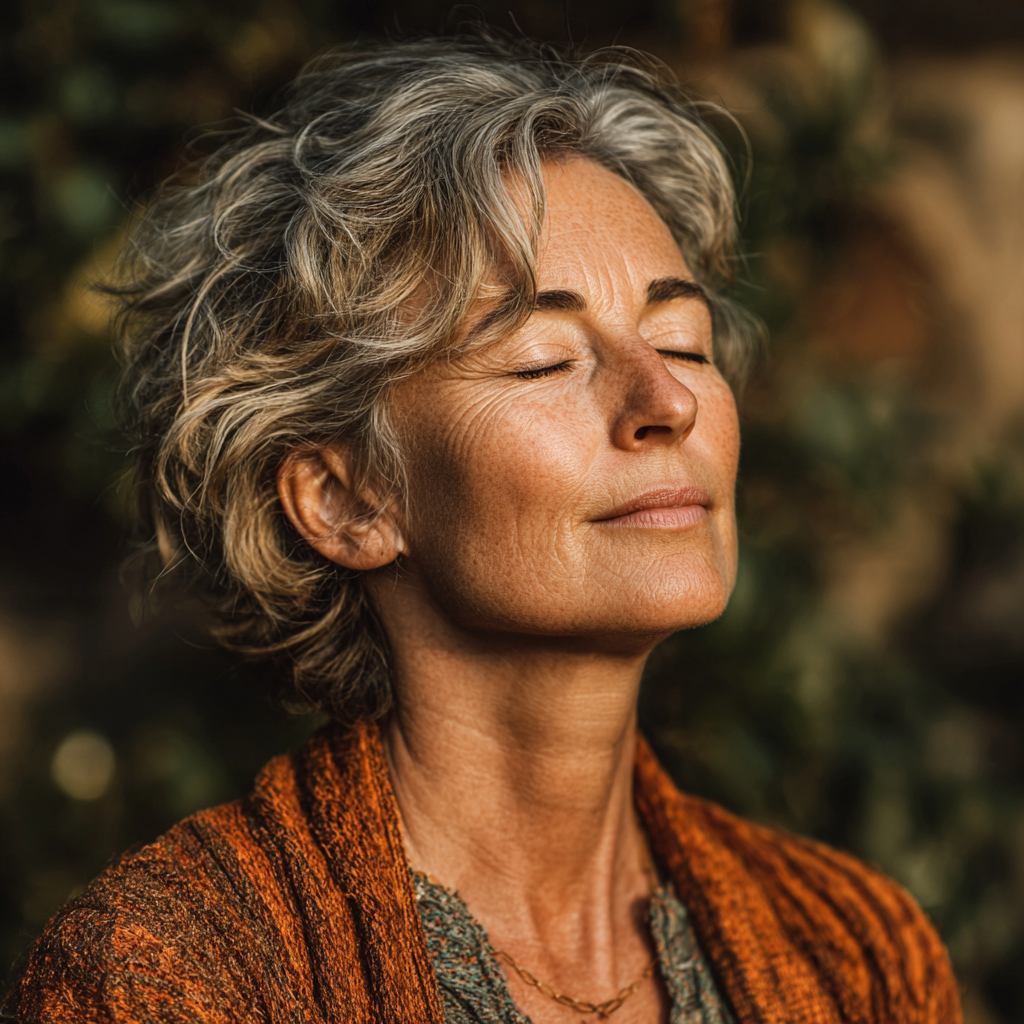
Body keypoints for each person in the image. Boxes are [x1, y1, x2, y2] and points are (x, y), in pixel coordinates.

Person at [3, 33, 961, 1024]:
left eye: (682, 340)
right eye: (545, 360)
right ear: (344, 499)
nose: (665, 400)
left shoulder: (858, 952)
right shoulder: (167, 975)